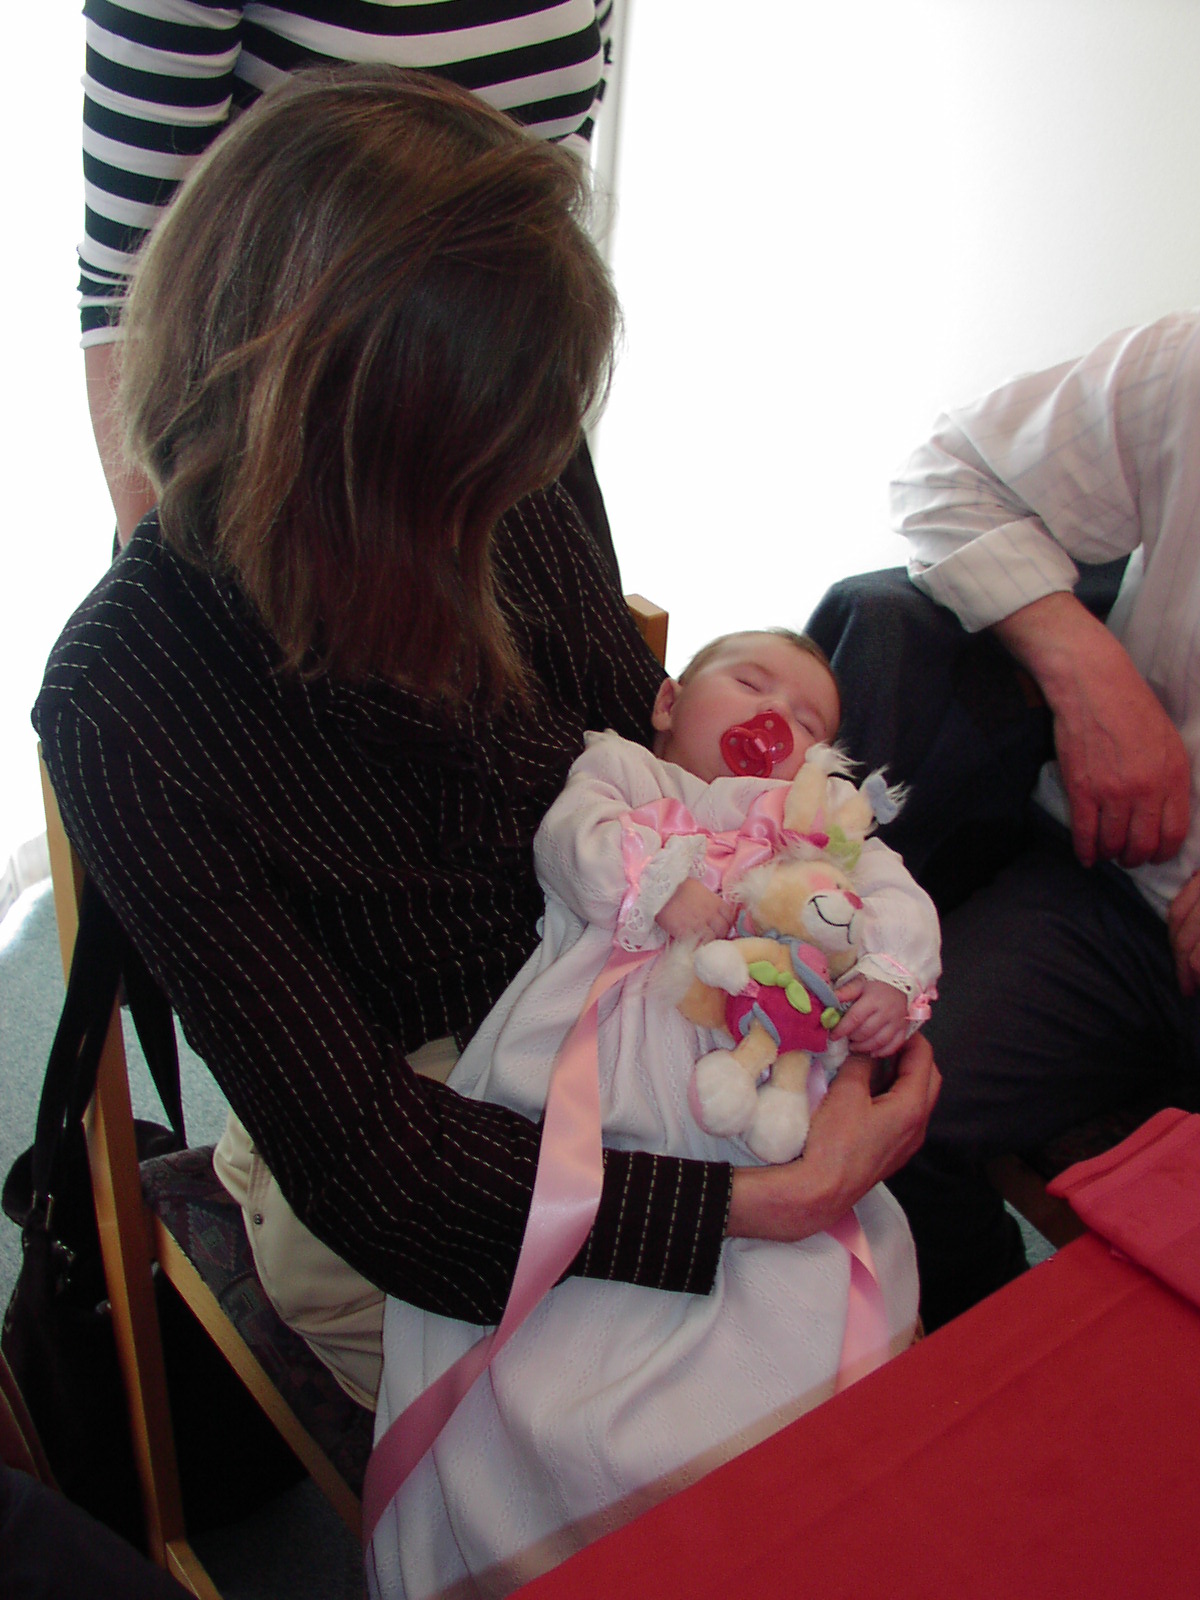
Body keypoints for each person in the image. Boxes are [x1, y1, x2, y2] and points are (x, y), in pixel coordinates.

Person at [36, 68, 940, 1416]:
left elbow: (637, 755)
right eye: (474, 482)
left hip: (607, 972)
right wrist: (755, 1203)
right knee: (674, 1440)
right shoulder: (131, 695)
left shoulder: (501, 448)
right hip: (409, 1114)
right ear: (328, 451)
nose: (518, 499)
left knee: (895, 1356)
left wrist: (849, 958)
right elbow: (372, 1169)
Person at [371, 628, 941, 1599]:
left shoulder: (818, 824)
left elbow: (897, 894)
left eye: (811, 722)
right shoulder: (626, 768)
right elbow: (569, 838)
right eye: (750, 683)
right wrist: (659, 884)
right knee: (574, 1341)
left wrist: (890, 973)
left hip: (763, 1081)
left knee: (803, 1318)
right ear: (669, 702)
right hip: (605, 1059)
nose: (777, 719)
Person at [871, 309, 1200, 1328]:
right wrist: (1083, 662)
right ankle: (980, 1348)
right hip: (1122, 889)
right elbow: (944, 472)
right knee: (883, 1104)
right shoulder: (1187, 366)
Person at [80, 0, 621, 562]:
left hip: (509, 442)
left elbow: (557, 183)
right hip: (282, 475)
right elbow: (124, 294)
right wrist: (169, 578)